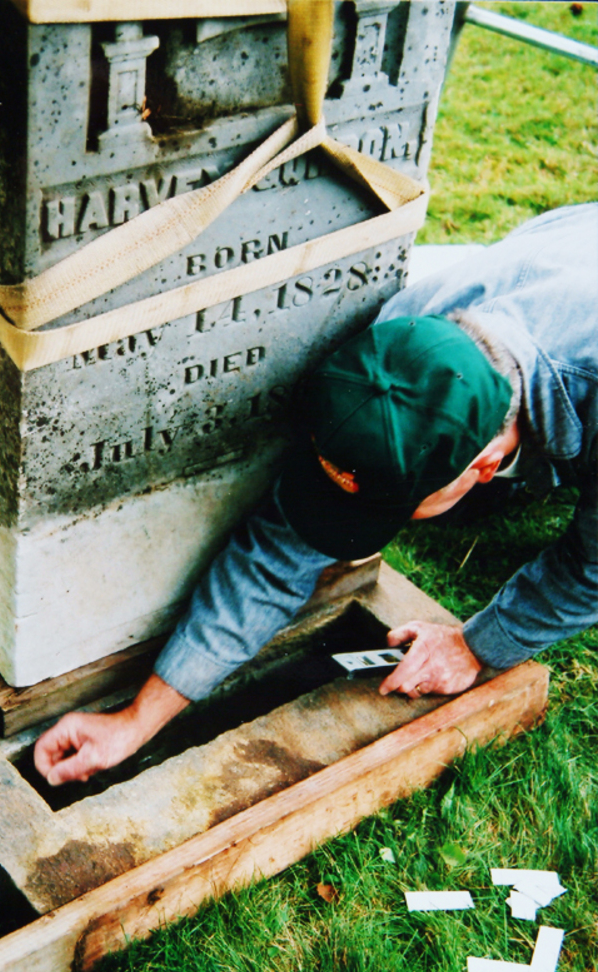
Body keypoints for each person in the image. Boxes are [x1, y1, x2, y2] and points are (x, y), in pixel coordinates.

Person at [35, 202, 598, 787]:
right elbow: (281, 553)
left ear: (484, 465)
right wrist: (133, 722)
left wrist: (478, 646)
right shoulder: (398, 341)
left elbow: (589, 570)